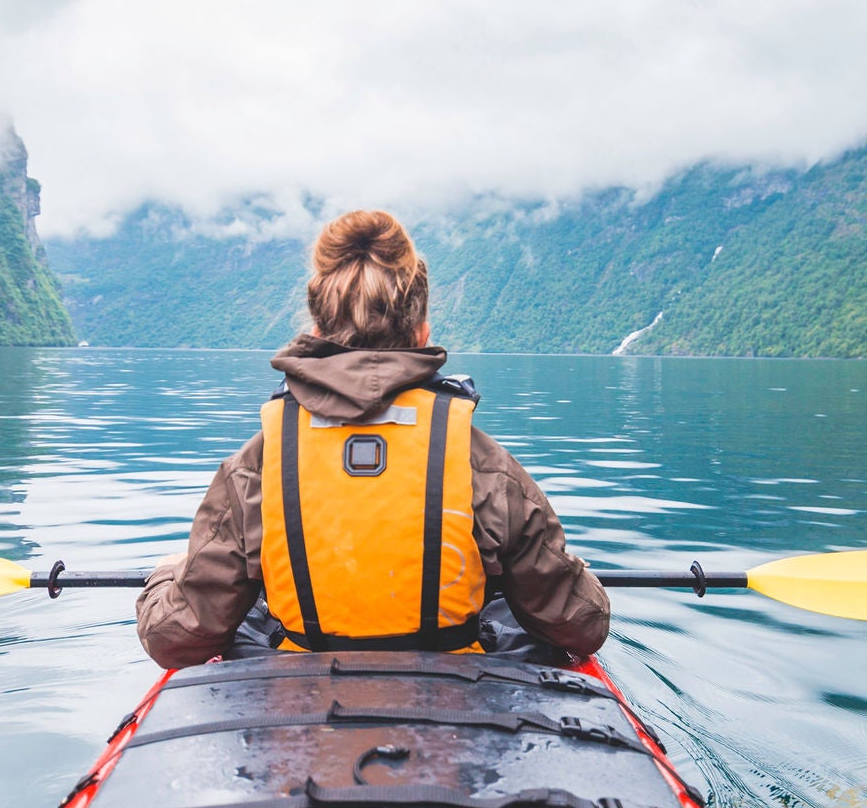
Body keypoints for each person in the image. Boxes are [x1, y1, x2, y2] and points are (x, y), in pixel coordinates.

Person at [136, 209, 610, 668]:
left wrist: (167, 574)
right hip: (452, 699)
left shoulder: (257, 465)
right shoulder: (479, 462)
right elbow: (580, 628)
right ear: (421, 332)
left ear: (318, 331)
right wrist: (575, 574)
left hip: (302, 701)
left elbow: (176, 640)